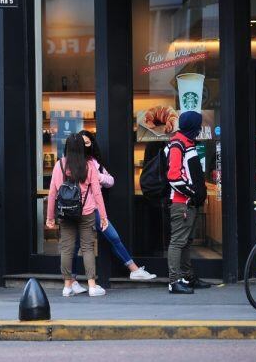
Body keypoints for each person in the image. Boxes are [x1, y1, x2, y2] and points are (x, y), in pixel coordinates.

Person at [68, 130, 155, 295]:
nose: (86, 145)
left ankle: (133, 269)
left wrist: (97, 176)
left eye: (88, 142)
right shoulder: (70, 162)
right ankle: (72, 281)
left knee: (112, 237)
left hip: (93, 209)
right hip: (77, 210)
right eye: (83, 142)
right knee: (77, 245)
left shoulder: (94, 162)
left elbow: (110, 180)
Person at [46, 133, 109, 298]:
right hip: (86, 212)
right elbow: (97, 193)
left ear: (66, 147)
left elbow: (52, 193)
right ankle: (92, 286)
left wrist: (50, 217)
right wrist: (103, 216)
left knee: (66, 249)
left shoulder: (59, 165)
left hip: (66, 213)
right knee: (88, 248)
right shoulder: (89, 166)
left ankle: (67, 286)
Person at [166, 111, 207, 294]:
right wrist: (191, 194)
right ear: (193, 126)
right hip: (182, 203)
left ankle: (188, 277)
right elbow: (173, 177)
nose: (199, 128)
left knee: (186, 242)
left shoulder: (186, 142)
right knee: (178, 242)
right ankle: (174, 281)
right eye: (198, 125)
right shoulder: (178, 144)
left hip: (188, 203)